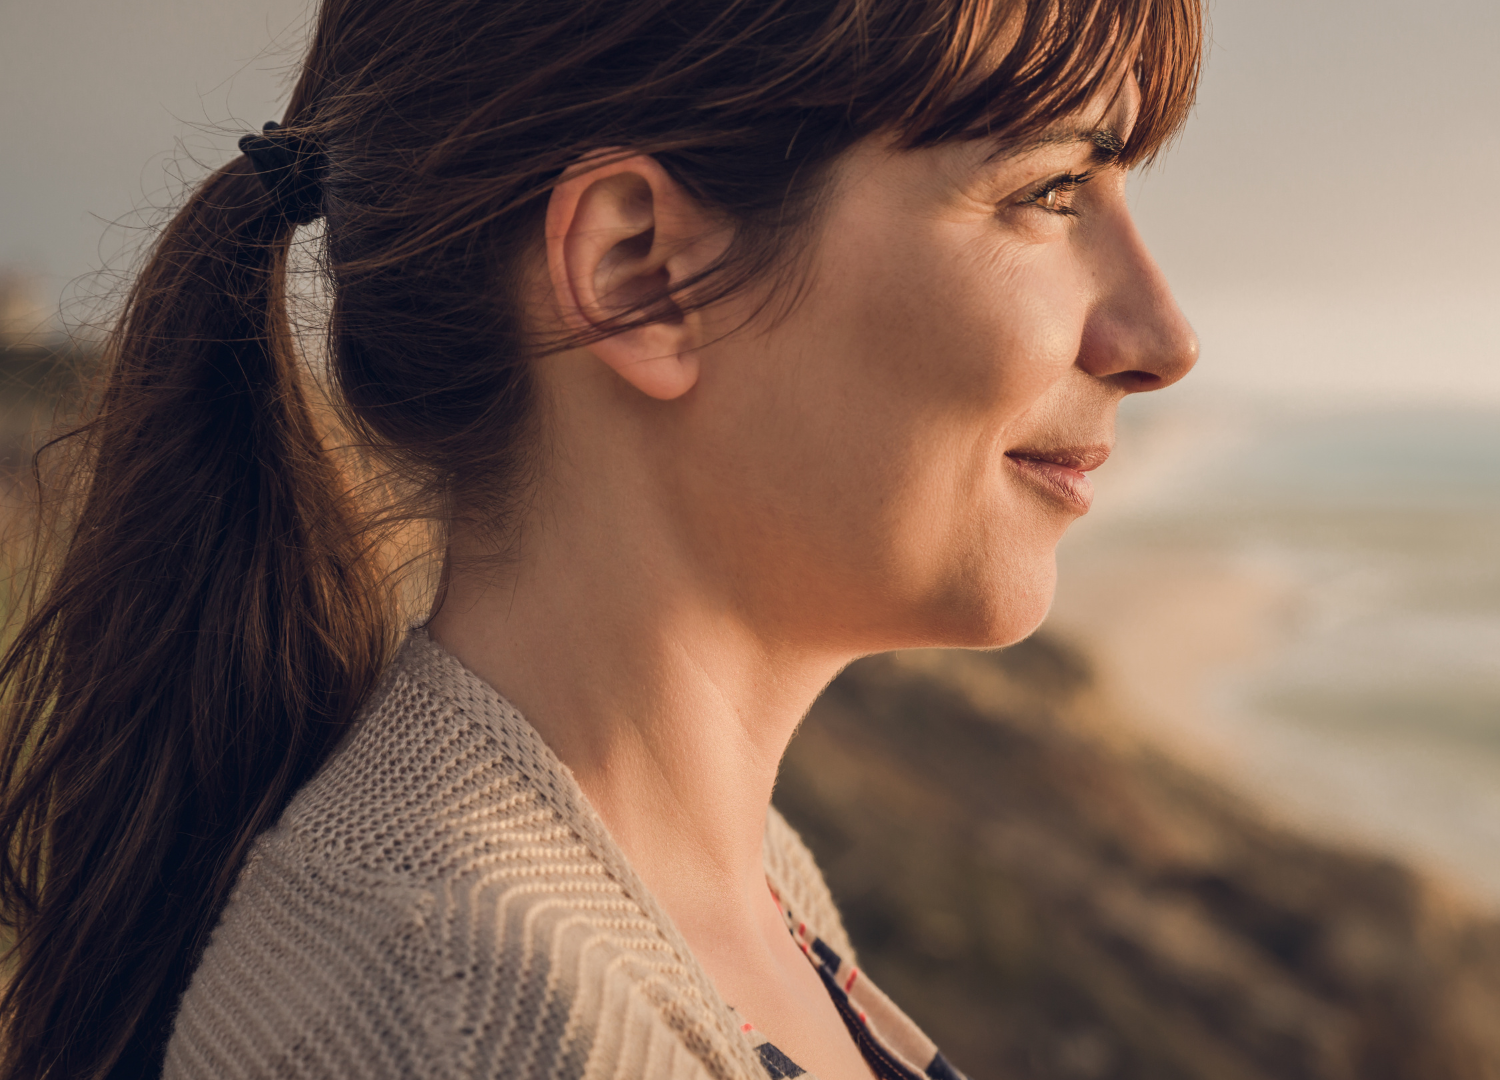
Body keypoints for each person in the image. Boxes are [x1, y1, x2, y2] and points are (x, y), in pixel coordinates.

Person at [0, 0, 1201, 1077]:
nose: (1161, 334)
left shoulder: (731, 882)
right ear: (641, 275)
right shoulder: (476, 1021)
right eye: (1050, 192)